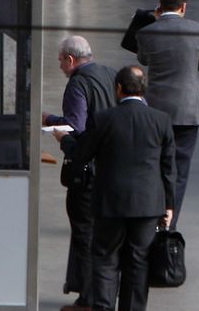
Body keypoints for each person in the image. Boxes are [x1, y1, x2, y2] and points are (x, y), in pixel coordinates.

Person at [55, 66, 175, 311]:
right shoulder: (161, 121)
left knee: (106, 259)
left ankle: (103, 306)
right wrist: (169, 205)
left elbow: (81, 155)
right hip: (147, 204)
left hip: (110, 203)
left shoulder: (104, 119)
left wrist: (63, 139)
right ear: (144, 90)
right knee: (138, 261)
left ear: (118, 89)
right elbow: (168, 168)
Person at [43, 36, 118, 311]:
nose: (60, 66)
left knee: (84, 232)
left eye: (61, 60)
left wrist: (51, 123)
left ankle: (88, 298)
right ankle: (103, 294)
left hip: (87, 172)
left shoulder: (78, 83)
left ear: (71, 60)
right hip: (112, 169)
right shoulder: (111, 74)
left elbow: (76, 126)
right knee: (106, 235)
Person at [135, 0, 199, 227]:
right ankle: (170, 221)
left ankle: (149, 215)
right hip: (188, 111)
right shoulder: (197, 29)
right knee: (179, 169)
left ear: (159, 6)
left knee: (153, 164)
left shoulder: (146, 31)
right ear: (184, 6)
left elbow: (142, 58)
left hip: (155, 109)